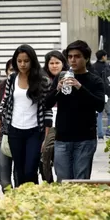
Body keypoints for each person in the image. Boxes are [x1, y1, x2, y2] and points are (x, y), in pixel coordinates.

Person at [0, 44, 53, 187]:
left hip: (35, 131)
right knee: (19, 171)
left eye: (26, 61)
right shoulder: (12, 79)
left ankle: (33, 201)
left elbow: (47, 109)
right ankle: (21, 203)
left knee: (30, 170)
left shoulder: (42, 80)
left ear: (32, 61)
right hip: (14, 130)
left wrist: (46, 136)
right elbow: (5, 102)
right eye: (19, 61)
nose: (22, 64)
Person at [45, 40, 105, 182]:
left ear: (86, 58)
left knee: (81, 182)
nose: (73, 60)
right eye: (70, 56)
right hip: (62, 138)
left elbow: (99, 105)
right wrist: (57, 89)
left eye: (77, 56)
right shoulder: (62, 77)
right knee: (63, 182)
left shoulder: (94, 80)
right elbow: (47, 103)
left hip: (85, 139)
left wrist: (80, 87)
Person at [40, 50, 69, 183]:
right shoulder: (42, 80)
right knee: (46, 152)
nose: (54, 66)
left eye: (57, 62)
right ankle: (48, 181)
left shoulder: (69, 77)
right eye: (51, 63)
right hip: (47, 122)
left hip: (64, 121)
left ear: (63, 64)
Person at [0, 59, 17, 192]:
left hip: (23, 134)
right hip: (4, 133)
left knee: (20, 173)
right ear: (6, 71)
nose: (14, 72)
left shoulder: (31, 85)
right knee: (4, 170)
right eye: (11, 69)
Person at [92, 50, 110, 140]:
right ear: (103, 56)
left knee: (99, 114)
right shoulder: (107, 67)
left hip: (96, 93)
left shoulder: (93, 67)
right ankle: (108, 132)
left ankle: (99, 133)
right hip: (106, 93)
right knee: (109, 113)